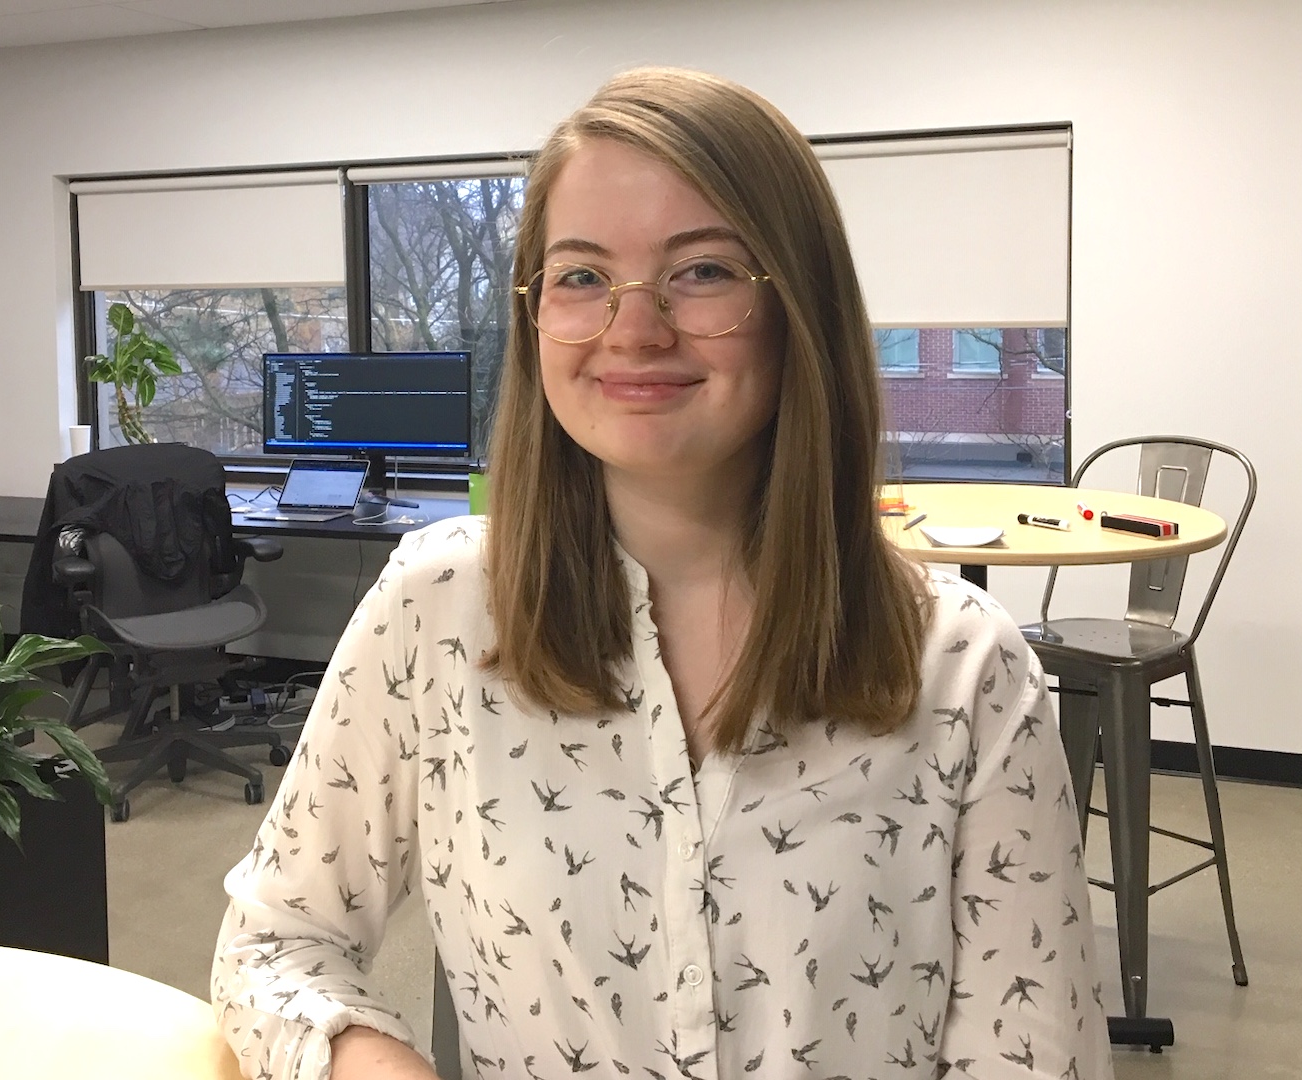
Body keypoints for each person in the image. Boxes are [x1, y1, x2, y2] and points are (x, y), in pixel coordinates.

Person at [213, 67, 1114, 1080]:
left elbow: (1035, 1058)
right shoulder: (437, 611)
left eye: (705, 273)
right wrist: (369, 1062)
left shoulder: (964, 671)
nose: (632, 330)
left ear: (797, 305)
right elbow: (274, 942)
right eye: (582, 277)